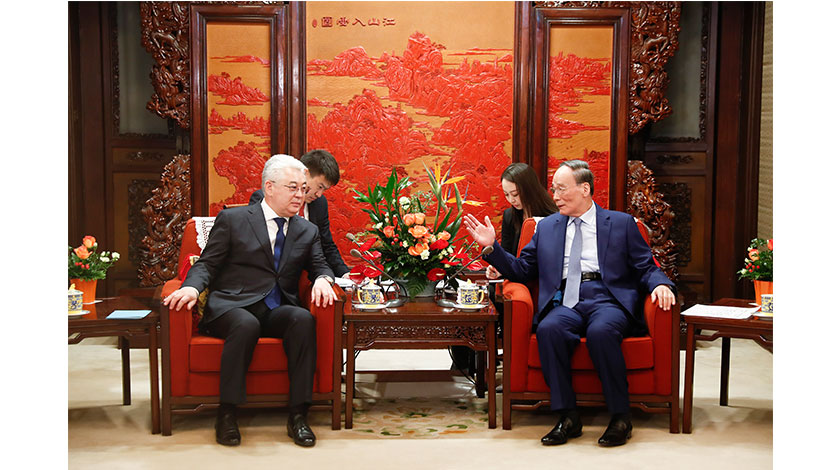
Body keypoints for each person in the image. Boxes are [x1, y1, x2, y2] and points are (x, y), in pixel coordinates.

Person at [464, 159, 675, 447]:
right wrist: (492, 248)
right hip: (565, 300)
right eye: (554, 189)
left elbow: (645, 266)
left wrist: (661, 284)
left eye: (562, 189)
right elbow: (523, 270)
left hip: (607, 299)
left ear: (585, 189)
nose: (555, 196)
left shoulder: (621, 223)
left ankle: (620, 417)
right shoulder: (547, 227)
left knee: (602, 332)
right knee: (549, 329)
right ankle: (567, 416)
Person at [164, 154, 337, 448]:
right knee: (245, 324)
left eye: (302, 188)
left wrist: (323, 279)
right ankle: (227, 413)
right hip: (233, 306)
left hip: (276, 307)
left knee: (302, 319)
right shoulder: (234, 220)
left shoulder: (306, 230)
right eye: (292, 188)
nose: (300, 195)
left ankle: (298, 415)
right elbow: (207, 264)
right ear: (269, 187)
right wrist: (192, 288)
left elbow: (320, 265)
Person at [452, 163, 557, 373]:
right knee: (475, 297)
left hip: (537, 282)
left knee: (494, 297)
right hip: (512, 276)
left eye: (515, 194)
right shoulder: (510, 216)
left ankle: (491, 358)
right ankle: (470, 361)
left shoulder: (551, 218)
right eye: (507, 195)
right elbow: (507, 253)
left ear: (529, 188)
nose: (512, 200)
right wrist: (497, 269)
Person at [250, 149, 350, 278]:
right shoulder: (266, 198)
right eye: (320, 187)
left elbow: (326, 245)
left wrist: (345, 274)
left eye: (324, 190)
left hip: (310, 274)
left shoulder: (319, 204)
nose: (319, 194)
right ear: (305, 173)